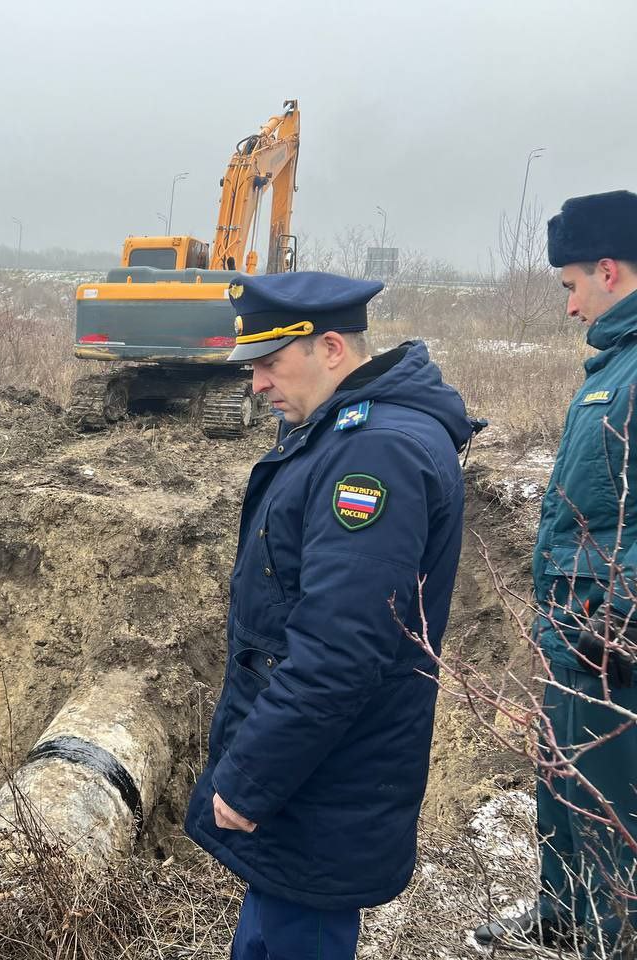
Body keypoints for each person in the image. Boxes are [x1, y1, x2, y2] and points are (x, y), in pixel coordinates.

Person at [184, 272, 474, 959]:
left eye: (269, 362)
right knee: (269, 929)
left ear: (333, 348)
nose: (256, 383)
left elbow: (341, 650)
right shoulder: (346, 432)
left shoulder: (375, 454)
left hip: (323, 783)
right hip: (311, 782)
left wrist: (252, 777)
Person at [475, 189, 637, 952]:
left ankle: (612, 937)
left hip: (612, 640)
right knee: (562, 778)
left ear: (609, 270)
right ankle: (562, 913)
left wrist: (623, 619)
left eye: (572, 285)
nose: (570, 307)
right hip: (574, 630)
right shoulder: (613, 367)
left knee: (610, 796)